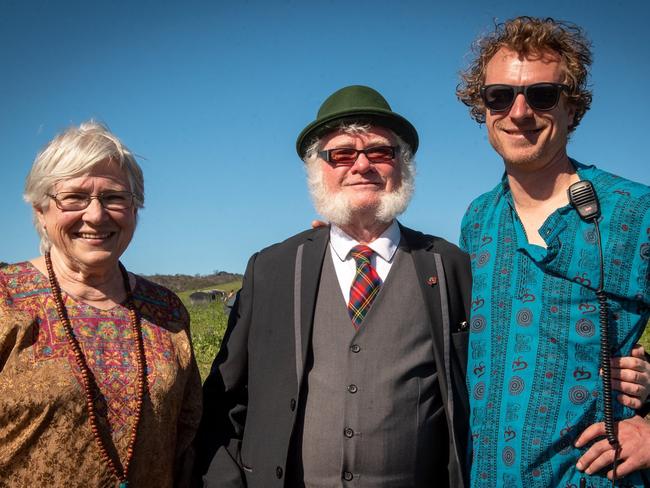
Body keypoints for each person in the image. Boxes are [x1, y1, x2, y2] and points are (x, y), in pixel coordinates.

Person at [194, 85, 472, 487]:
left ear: (403, 166)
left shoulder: (449, 266)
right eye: (341, 154)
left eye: (380, 151)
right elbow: (225, 400)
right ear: (316, 170)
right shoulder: (271, 268)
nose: (361, 166)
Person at [457, 16, 650, 486]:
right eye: (499, 96)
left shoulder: (636, 211)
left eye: (542, 95)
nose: (519, 112)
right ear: (482, 109)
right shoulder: (476, 219)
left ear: (573, 109)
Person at [0, 121, 202, 487]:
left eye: (113, 197)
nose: (95, 215)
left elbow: (188, 441)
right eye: (74, 197)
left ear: (135, 209)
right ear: (41, 210)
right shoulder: (6, 299)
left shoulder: (166, 311)